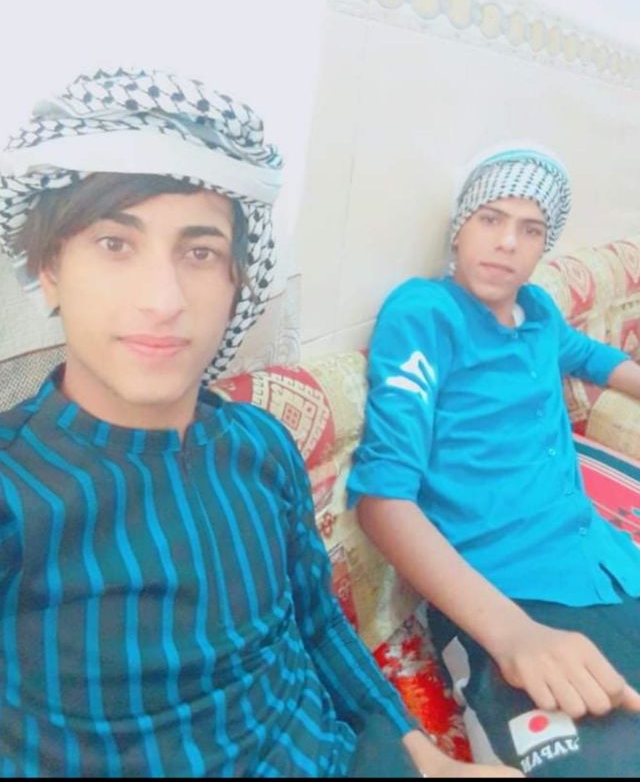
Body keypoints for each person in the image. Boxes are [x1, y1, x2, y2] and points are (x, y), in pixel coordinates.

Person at [0, 68, 522, 778]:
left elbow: (318, 624)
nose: (163, 299)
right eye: (115, 244)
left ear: (235, 281)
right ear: (49, 269)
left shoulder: (260, 444)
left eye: (200, 252)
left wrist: (428, 760)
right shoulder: (16, 491)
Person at [347, 145, 640, 777]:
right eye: (490, 218)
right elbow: (382, 498)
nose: (507, 242)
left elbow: (591, 357)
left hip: (609, 564)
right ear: (460, 227)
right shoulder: (424, 314)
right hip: (508, 599)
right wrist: (512, 635)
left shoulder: (539, 313)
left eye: (530, 230)